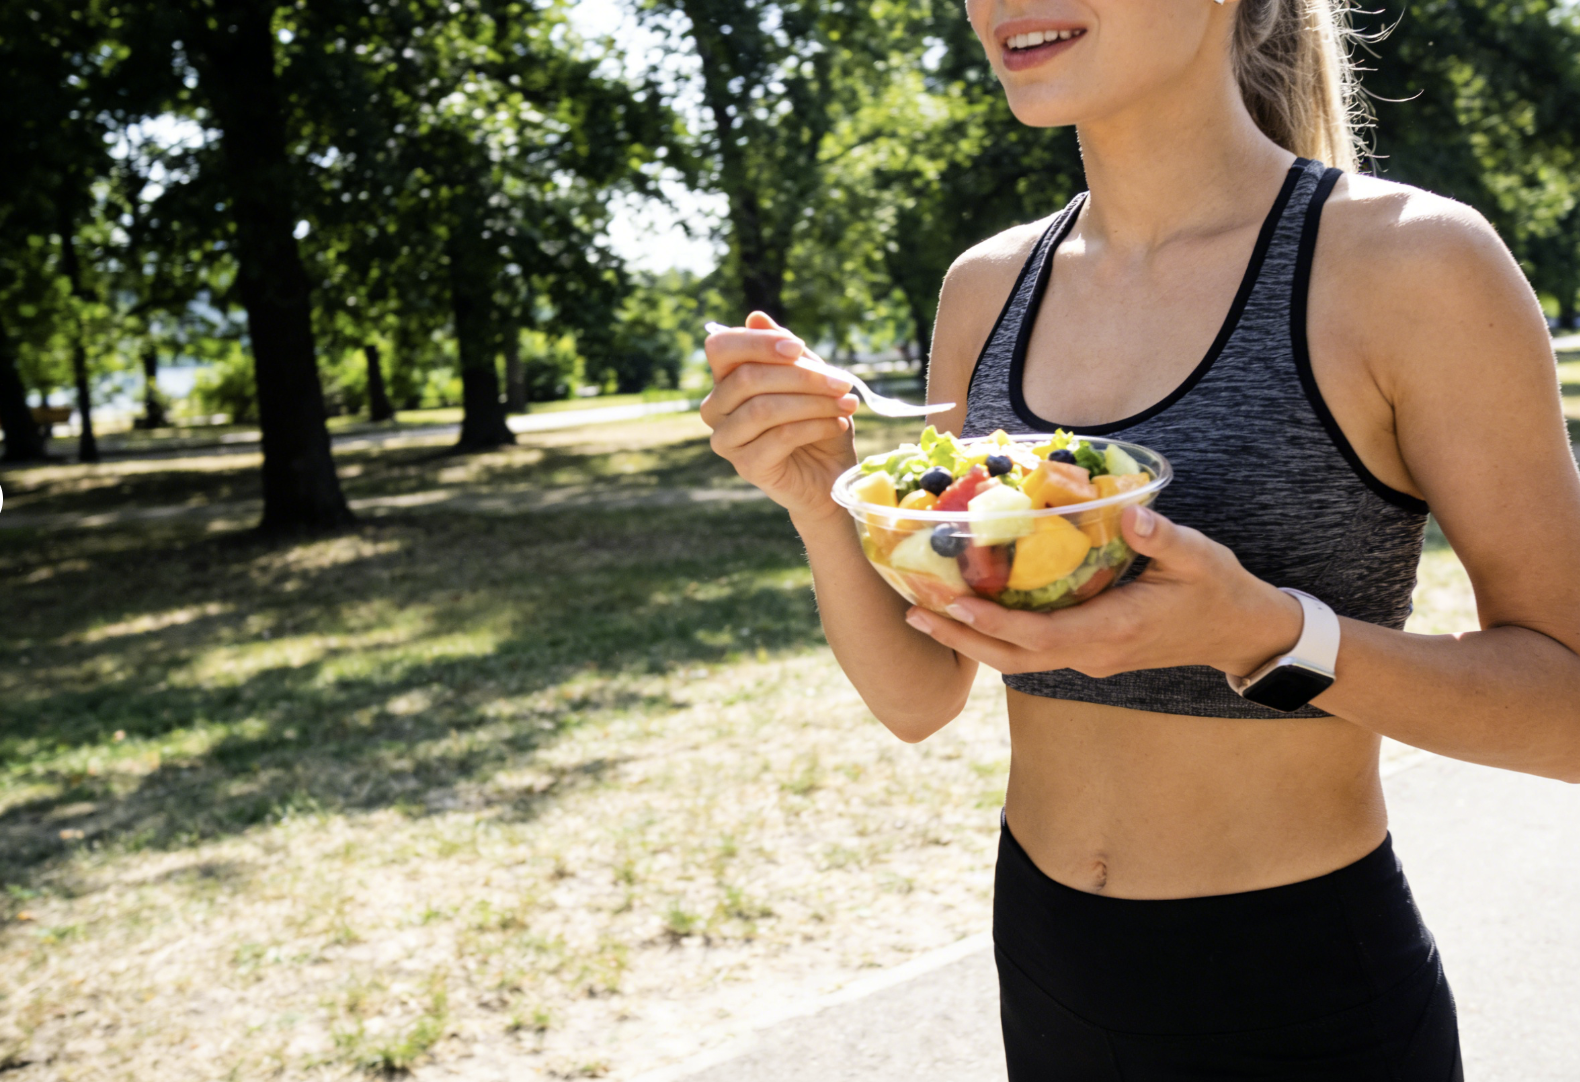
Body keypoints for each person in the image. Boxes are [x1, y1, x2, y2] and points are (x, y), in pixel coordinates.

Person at [699, 0, 1580, 1077]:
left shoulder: (1409, 264)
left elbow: (1566, 710)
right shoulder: (985, 290)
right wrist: (818, 492)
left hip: (1301, 994)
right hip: (1045, 961)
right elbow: (920, 693)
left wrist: (1263, 634)